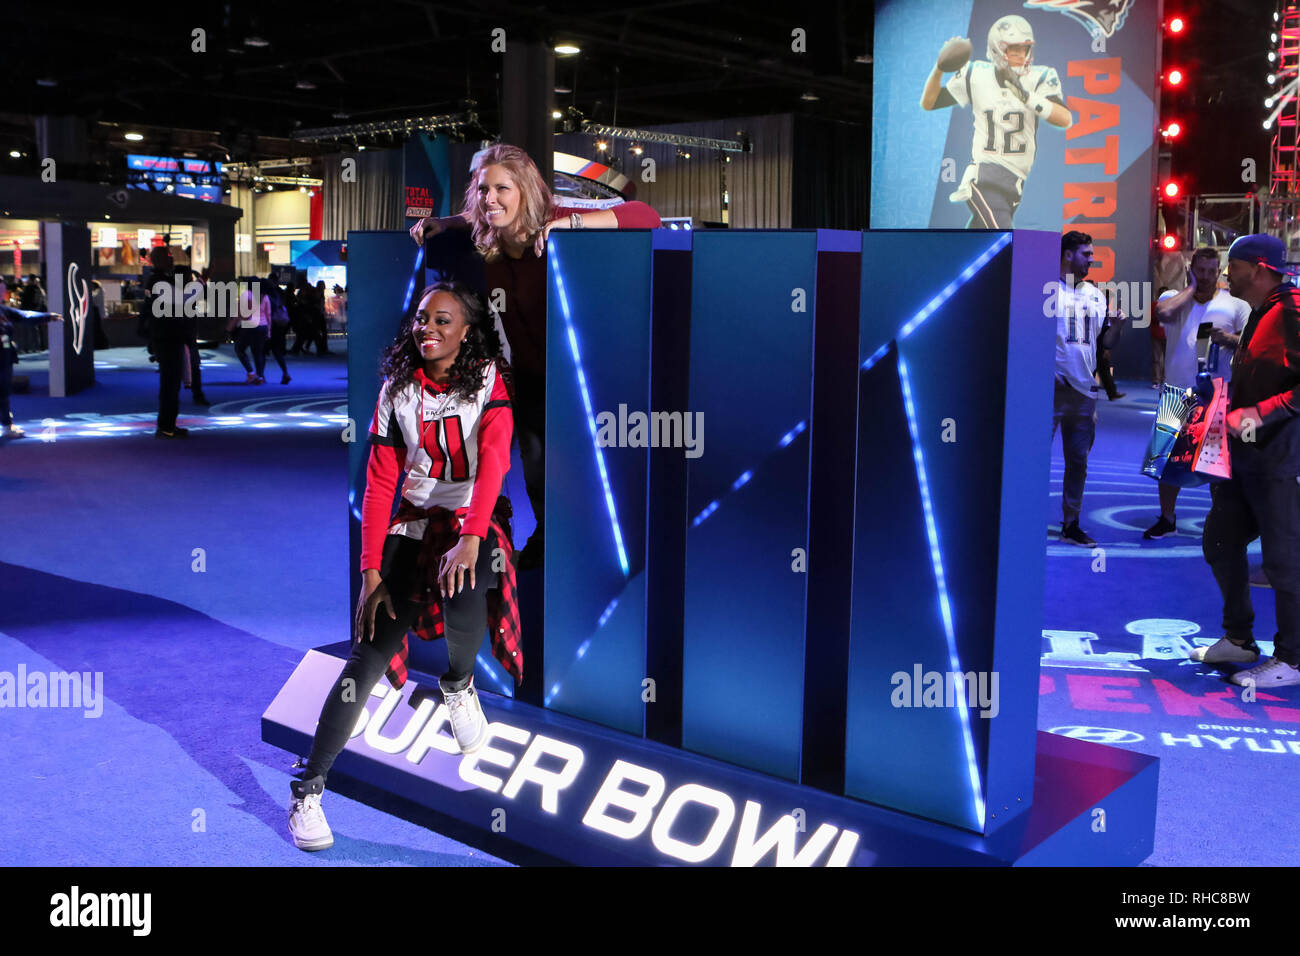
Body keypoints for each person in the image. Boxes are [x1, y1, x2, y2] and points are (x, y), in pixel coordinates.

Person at [287, 280, 519, 851]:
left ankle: (459, 686)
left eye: (443, 321)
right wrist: (370, 572)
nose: (429, 330)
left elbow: (493, 464)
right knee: (366, 654)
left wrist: (468, 537)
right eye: (422, 319)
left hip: (473, 516)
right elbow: (380, 482)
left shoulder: (490, 380)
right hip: (412, 522)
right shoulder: (397, 388)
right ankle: (309, 791)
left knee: (467, 577)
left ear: (467, 330)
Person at [410, 143, 661, 568]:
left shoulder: (556, 223)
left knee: (587, 472)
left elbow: (647, 217)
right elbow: (472, 217)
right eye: (484, 189)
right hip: (527, 377)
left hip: (580, 381)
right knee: (537, 467)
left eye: (503, 189)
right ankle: (546, 539)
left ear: (524, 190)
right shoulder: (483, 234)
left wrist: (579, 224)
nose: (491, 199)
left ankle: (597, 551)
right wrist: (440, 222)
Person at [1193, 234, 1300, 688]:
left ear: (1256, 267)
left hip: (1281, 458)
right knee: (1220, 540)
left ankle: (1292, 659)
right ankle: (1239, 637)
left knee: (1284, 559)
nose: (1223, 273)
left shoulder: (1292, 307)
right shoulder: (1262, 310)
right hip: (1248, 456)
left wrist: (1260, 412)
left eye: (1231, 265)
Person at [920, 15, 1073, 228]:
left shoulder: (1040, 76)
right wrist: (939, 68)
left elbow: (1065, 119)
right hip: (985, 178)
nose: (1022, 56)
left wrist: (1026, 96)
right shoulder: (976, 75)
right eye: (1014, 49)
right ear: (997, 50)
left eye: (1025, 49)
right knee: (1004, 237)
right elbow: (929, 102)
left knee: (980, 244)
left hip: (1014, 181)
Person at [1143, 248, 1250, 539]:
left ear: (1219, 271)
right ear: (1192, 269)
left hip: (1216, 394)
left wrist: (1229, 339)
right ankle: (1167, 518)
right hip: (1176, 393)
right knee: (1166, 462)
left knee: (1216, 465)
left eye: (1210, 271)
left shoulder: (1236, 305)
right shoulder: (1173, 299)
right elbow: (1162, 314)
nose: (1205, 276)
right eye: (1200, 271)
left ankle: (1220, 522)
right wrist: (1190, 288)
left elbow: (1252, 342)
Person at [1052, 230, 1126, 547]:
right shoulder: (1045, 290)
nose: (1092, 259)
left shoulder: (1096, 295)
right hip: (1049, 390)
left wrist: (1118, 326)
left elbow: (1103, 345)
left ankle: (1071, 522)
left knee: (1078, 462)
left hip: (1084, 391)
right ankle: (1021, 519)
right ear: (1068, 254)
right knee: (1033, 459)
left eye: (1092, 253)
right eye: (1086, 253)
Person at [145, 247, 191, 439]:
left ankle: (168, 424)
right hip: (167, 337)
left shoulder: (160, 280)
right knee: (170, 383)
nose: (172, 260)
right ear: (159, 260)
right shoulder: (158, 281)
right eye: (169, 257)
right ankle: (165, 426)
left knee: (172, 383)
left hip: (168, 336)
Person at [232, 278, 270, 384]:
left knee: (239, 348)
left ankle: (251, 373)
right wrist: (269, 331)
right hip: (263, 326)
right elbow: (268, 315)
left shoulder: (246, 295)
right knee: (258, 352)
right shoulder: (264, 296)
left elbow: (240, 313)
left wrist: (232, 326)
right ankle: (260, 376)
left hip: (249, 325)